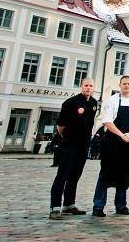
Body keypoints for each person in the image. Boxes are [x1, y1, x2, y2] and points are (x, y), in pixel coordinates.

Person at [49, 77, 97, 219]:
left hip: (84, 144)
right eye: (86, 85)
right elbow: (60, 126)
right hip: (70, 144)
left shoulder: (94, 103)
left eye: (91, 86)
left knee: (75, 175)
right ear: (81, 86)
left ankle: (69, 204)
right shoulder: (71, 102)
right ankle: (55, 207)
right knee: (62, 175)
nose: (88, 88)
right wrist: (69, 137)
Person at [92, 75, 129, 217]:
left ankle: (121, 205)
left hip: (128, 142)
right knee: (106, 173)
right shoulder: (112, 100)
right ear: (120, 85)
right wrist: (121, 134)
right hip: (112, 142)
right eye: (124, 83)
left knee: (126, 172)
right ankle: (98, 206)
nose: (126, 86)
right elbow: (107, 121)